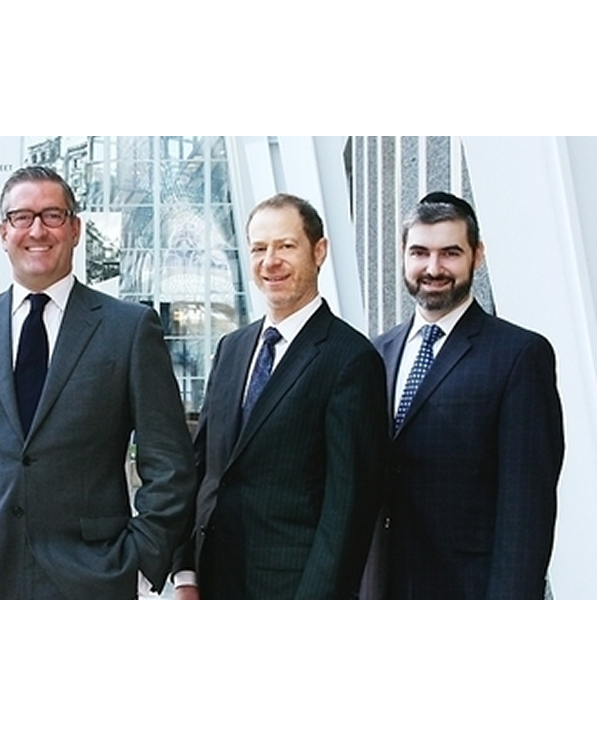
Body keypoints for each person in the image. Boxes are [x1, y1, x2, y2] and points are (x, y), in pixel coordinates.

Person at [0, 165, 196, 599]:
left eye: (52, 215)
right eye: (22, 217)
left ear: (75, 229)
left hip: (93, 578)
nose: (37, 230)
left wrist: (139, 563)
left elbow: (169, 465)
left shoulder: (128, 329)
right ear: (3, 232)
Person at [174, 194, 389, 599]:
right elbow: (201, 467)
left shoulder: (351, 359)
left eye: (286, 246)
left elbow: (348, 508)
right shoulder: (232, 349)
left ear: (319, 251)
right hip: (212, 582)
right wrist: (185, 572)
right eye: (259, 248)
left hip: (291, 589)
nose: (270, 261)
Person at [373, 192, 564, 599]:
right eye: (420, 252)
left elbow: (527, 505)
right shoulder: (376, 354)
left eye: (450, 253)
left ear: (477, 255)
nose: (433, 268)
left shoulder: (519, 355)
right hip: (383, 590)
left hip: (469, 591)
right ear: (403, 256)